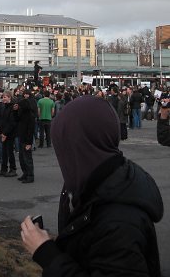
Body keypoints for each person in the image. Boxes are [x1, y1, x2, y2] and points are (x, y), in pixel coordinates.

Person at [20, 95, 163, 276]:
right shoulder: (94, 186)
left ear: (79, 146)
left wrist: (46, 253)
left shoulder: (118, 220)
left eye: (64, 147)